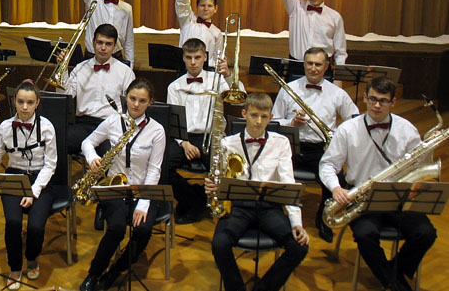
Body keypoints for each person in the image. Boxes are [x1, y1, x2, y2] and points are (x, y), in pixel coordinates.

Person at [319, 77, 436, 291]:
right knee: (365, 235)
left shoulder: (407, 129)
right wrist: (335, 187)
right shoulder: (347, 129)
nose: (377, 105)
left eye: (383, 100)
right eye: (373, 99)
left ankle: (393, 272)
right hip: (361, 197)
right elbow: (328, 164)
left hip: (399, 196)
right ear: (365, 98)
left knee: (426, 233)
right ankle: (394, 284)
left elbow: (419, 167)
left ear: (393, 102)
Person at [206, 92, 309, 291]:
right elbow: (218, 181)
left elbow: (288, 182)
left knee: (299, 247)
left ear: (271, 117)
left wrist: (297, 222)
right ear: (244, 113)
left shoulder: (281, 143)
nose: (259, 121)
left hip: (269, 207)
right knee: (219, 244)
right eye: (254, 115)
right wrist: (212, 188)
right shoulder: (227, 143)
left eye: (264, 116)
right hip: (238, 208)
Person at [79, 78, 166, 291]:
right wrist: (92, 158)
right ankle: (94, 273)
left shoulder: (157, 131)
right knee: (116, 228)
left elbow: (154, 170)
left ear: (150, 102)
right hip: (115, 186)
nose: (136, 104)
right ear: (125, 97)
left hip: (143, 188)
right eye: (132, 98)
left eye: (142, 101)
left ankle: (115, 271)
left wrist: (143, 203)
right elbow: (87, 142)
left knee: (143, 230)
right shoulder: (112, 121)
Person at [272, 46, 359, 242]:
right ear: (304, 64)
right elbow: (274, 121)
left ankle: (323, 218)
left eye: (318, 64)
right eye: (309, 63)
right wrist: (291, 123)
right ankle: (277, 217)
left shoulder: (337, 93)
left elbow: (355, 120)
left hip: (320, 149)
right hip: (290, 147)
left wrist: (338, 136)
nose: (313, 68)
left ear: (326, 66)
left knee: (337, 180)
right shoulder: (288, 89)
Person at [0, 80, 57, 290]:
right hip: (14, 177)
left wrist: (33, 191)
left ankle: (32, 258)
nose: (25, 107)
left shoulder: (47, 127)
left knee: (36, 227)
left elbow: (50, 164)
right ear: (14, 102)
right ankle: (15, 267)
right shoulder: (5, 127)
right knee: (13, 224)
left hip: (40, 179)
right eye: (20, 102)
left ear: (37, 103)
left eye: (30, 102)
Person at [166, 38, 240, 224]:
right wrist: (184, 143)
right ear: (183, 58)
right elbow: (173, 121)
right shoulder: (174, 87)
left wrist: (229, 75)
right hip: (185, 138)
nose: (193, 62)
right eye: (189, 57)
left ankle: (198, 204)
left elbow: (239, 97)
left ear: (205, 57)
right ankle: (195, 199)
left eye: (197, 57)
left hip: (212, 137)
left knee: (223, 169)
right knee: (162, 166)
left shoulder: (217, 80)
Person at [59, 23, 135, 154]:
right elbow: (65, 97)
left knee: (111, 153)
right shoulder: (80, 68)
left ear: (115, 46)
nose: (103, 48)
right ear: (93, 42)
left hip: (110, 126)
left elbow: (131, 104)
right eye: (100, 42)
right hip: (83, 124)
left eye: (108, 44)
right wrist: (63, 70)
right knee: (59, 143)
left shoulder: (125, 72)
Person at [175, 0, 222, 67]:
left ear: (215, 9)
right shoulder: (188, 20)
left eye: (209, 6)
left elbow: (217, 58)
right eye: (202, 5)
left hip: (206, 71)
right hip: (184, 68)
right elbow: (182, 1)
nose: (206, 9)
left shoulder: (217, 33)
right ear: (196, 7)